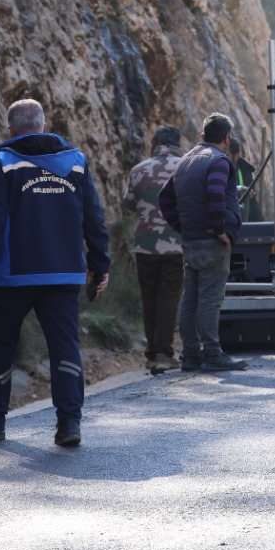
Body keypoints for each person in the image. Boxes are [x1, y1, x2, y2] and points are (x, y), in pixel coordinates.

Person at [0, 98, 110, 448]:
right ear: (45, 127)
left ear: (11, 130)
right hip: (64, 274)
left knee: (1, 346)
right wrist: (100, 262)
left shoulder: (4, 161)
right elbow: (93, 216)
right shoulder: (76, 163)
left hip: (14, 274)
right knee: (65, 346)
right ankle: (69, 424)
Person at [157, 113, 248, 371]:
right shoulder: (219, 161)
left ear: (202, 136)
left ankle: (190, 355)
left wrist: (182, 226)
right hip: (211, 242)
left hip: (191, 239)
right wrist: (221, 231)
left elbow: (165, 198)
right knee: (210, 300)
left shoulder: (184, 161)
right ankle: (212, 354)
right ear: (227, 138)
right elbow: (215, 194)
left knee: (190, 300)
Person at [124, 124, 187, 375]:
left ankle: (151, 354)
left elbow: (128, 204)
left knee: (149, 299)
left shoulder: (139, 169)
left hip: (144, 245)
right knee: (169, 299)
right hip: (175, 245)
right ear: (177, 142)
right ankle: (164, 354)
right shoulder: (186, 168)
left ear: (156, 142)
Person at [227, 136, 265, 222]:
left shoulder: (245, 172)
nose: (222, 158)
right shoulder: (215, 171)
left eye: (227, 155)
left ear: (236, 156)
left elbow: (252, 206)